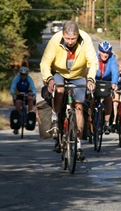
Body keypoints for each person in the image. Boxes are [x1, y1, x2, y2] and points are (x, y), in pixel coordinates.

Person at [40, 20, 97, 160]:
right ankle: (55, 116)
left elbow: (93, 62)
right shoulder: (55, 39)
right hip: (59, 72)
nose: (70, 41)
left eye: (73, 38)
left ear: (78, 35)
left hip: (78, 75)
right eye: (67, 38)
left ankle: (78, 146)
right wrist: (49, 79)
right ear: (63, 35)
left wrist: (91, 79)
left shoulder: (85, 39)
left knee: (78, 106)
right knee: (59, 91)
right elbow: (45, 62)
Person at [93, 40, 119, 135]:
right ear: (99, 51)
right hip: (94, 79)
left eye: (107, 52)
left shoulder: (112, 58)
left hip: (107, 81)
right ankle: (90, 119)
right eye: (103, 52)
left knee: (108, 98)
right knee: (90, 98)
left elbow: (115, 72)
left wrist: (114, 83)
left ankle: (107, 122)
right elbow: (88, 69)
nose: (105, 54)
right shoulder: (94, 56)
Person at [10, 66, 36, 135]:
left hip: (27, 93)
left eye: (25, 74)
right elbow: (12, 87)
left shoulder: (29, 79)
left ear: (27, 74)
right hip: (18, 94)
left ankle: (30, 113)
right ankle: (17, 120)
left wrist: (33, 94)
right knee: (18, 102)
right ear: (20, 74)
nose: (23, 76)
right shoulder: (16, 78)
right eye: (22, 74)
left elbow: (33, 87)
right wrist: (13, 94)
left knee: (30, 99)